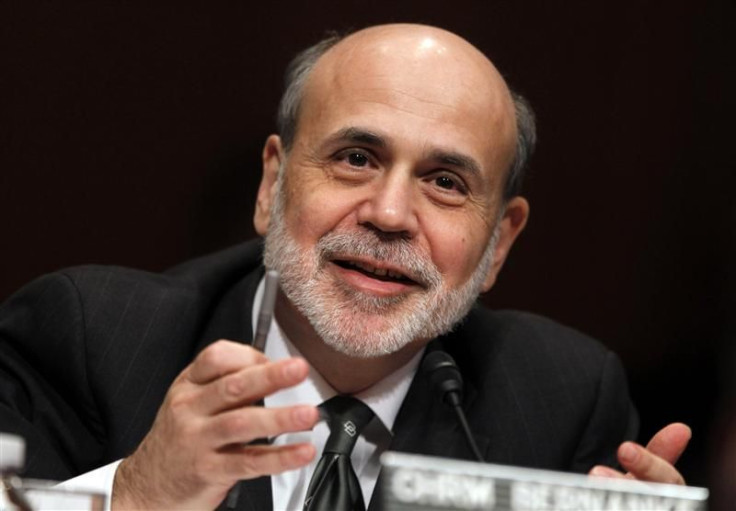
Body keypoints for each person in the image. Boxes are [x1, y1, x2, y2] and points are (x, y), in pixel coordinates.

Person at [0, 24, 691, 510]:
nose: (389, 213)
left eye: (446, 181)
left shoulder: (564, 400)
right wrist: (139, 497)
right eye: (355, 158)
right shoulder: (91, 339)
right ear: (272, 185)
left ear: (499, 243)